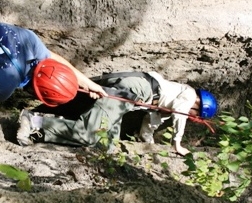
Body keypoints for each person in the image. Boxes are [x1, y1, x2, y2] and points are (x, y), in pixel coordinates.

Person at [17, 70, 218, 156]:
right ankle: (33, 121)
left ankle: (38, 131)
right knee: (90, 133)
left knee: (106, 147)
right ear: (198, 106)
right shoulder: (188, 95)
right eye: (195, 113)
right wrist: (177, 145)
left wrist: (149, 146)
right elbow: (180, 114)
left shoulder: (169, 103)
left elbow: (150, 123)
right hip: (130, 91)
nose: (192, 115)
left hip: (130, 97)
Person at [0, 22, 107, 102]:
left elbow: (52, 58)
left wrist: (89, 84)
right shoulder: (5, 88)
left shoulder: (30, 40)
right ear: (34, 92)